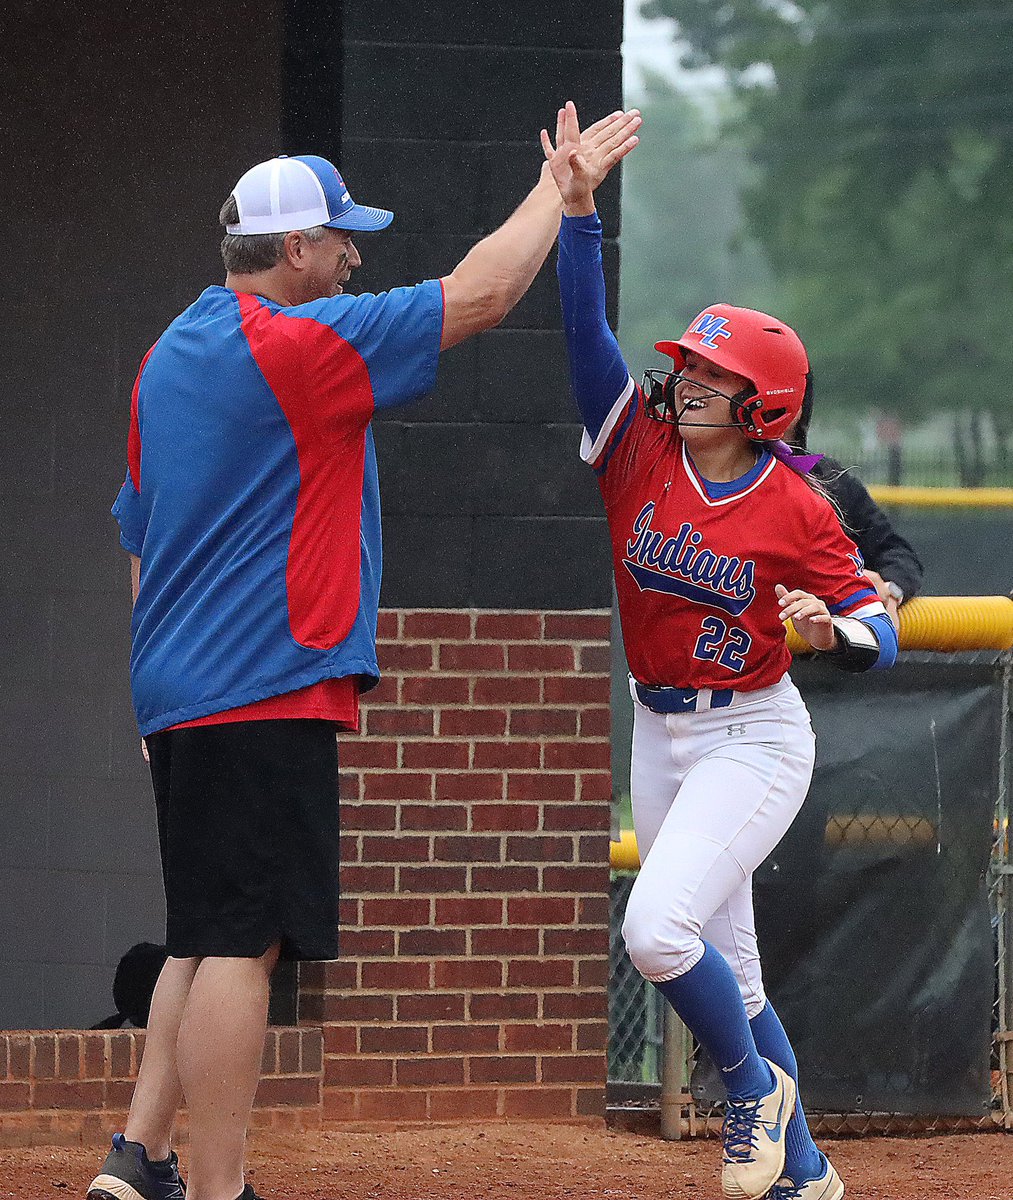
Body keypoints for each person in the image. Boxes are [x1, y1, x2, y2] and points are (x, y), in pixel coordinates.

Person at [89, 112, 641, 1200]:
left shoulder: (172, 352)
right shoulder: (295, 347)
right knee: (246, 945)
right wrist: (558, 185)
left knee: (201, 933)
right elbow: (478, 295)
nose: (353, 254)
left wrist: (147, 699)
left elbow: (138, 542)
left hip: (185, 687)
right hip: (263, 681)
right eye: (341, 237)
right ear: (294, 251)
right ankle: (219, 1185)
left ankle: (138, 1155)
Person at [541, 104, 897, 1200]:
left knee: (654, 929)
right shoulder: (638, 450)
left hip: (750, 733)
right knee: (728, 971)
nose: (686, 377)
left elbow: (876, 632)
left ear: (763, 403)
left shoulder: (796, 503)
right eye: (688, 362)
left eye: (711, 371)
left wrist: (835, 630)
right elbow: (584, 337)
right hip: (659, 729)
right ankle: (806, 1176)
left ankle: (748, 1090)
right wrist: (577, 213)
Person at [786, 401, 924, 629]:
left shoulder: (829, 480)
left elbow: (896, 553)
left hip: (820, 654)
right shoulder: (708, 484)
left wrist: (887, 589)